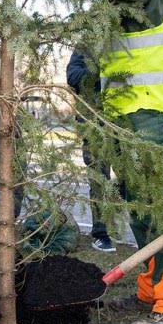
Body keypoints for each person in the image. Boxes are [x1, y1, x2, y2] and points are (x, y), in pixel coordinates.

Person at [6, 0, 163, 324]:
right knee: (140, 209)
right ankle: (151, 293)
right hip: (134, 113)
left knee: (161, 209)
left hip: (159, 111)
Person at [66, 47, 116, 252]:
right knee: (99, 179)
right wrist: (100, 70)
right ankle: (101, 233)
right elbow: (72, 77)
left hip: (125, 120)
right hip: (95, 125)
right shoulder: (85, 47)